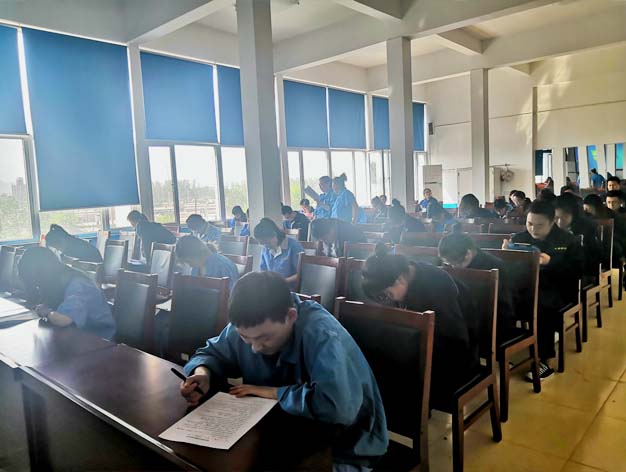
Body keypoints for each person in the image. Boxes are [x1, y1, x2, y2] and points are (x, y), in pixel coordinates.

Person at [180, 272, 388, 470]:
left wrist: (274, 392)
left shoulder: (322, 333)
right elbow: (211, 353)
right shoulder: (250, 323)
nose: (255, 348)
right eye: (245, 338)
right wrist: (203, 373)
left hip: (344, 445)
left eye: (265, 338)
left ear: (291, 316)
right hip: (280, 430)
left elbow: (336, 407)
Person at [361, 245, 478, 401]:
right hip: (419, 349)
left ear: (400, 280)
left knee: (394, 379)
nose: (385, 302)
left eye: (386, 295)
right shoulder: (398, 275)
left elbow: (456, 340)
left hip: (455, 356)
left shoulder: (437, 284)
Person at [503, 200, 584, 381]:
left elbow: (578, 271)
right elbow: (510, 271)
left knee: (541, 304)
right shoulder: (519, 239)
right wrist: (506, 255)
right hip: (525, 288)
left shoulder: (568, 241)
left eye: (539, 225)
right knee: (500, 300)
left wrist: (551, 262)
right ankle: (508, 348)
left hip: (559, 291)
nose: (533, 229)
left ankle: (545, 361)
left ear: (552, 221)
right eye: (530, 223)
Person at [18, 247, 115, 340]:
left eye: (37, 282)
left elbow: (65, 320)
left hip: (98, 339)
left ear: (43, 273)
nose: (37, 286)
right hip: (71, 335)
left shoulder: (78, 284)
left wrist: (46, 312)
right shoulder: (54, 280)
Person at [438, 227, 516, 344]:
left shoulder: (494, 265)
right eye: (448, 264)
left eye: (455, 263)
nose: (452, 267)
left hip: (492, 319)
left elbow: (504, 306)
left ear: (468, 254)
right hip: (465, 315)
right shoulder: (452, 263)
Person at [554, 193, 602, 280]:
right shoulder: (550, 227)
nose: (560, 222)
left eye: (565, 217)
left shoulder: (587, 227)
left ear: (574, 215)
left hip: (582, 270)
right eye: (556, 218)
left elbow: (592, 255)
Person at [254, 218, 304, 287]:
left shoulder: (294, 246)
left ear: (274, 235)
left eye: (267, 243)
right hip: (272, 287)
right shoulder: (265, 248)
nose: (266, 247)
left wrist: (283, 281)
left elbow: (301, 273)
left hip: (288, 288)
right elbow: (263, 270)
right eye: (262, 244)